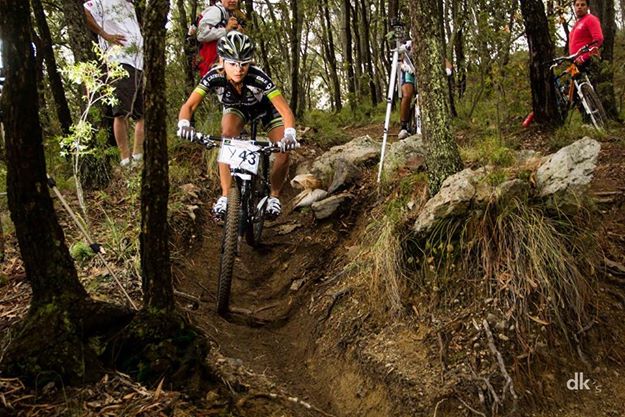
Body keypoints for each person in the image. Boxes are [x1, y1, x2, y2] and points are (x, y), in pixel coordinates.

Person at [177, 31, 298, 218]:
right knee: (227, 138)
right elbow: (190, 105)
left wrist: (290, 134)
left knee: (283, 149)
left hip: (266, 110)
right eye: (233, 63)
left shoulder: (258, 77)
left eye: (244, 64)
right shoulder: (213, 76)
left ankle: (274, 196)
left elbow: (285, 110)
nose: (239, 69)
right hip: (238, 109)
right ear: (222, 61)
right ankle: (225, 196)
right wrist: (184, 124)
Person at [84, 0, 144, 168]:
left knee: (142, 114)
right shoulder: (101, 2)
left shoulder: (130, 5)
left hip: (138, 63)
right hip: (119, 61)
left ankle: (138, 158)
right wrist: (105, 35)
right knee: (121, 112)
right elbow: (85, 12)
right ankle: (125, 160)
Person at [195, 0, 241, 77]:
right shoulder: (216, 11)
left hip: (221, 65)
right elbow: (201, 35)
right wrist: (226, 30)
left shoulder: (227, 13)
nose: (232, 0)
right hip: (211, 66)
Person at [569, 0, 603, 66]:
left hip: (588, 62)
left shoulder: (590, 19)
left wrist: (584, 57)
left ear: (588, 7)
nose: (579, 7)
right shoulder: (577, 23)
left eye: (582, 5)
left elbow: (598, 39)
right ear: (574, 7)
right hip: (576, 63)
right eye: (577, 5)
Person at [398, 40, 416, 140]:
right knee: (407, 94)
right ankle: (403, 126)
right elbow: (399, 57)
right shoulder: (408, 44)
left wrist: (448, 68)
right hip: (409, 71)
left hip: (424, 72)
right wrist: (404, 66)